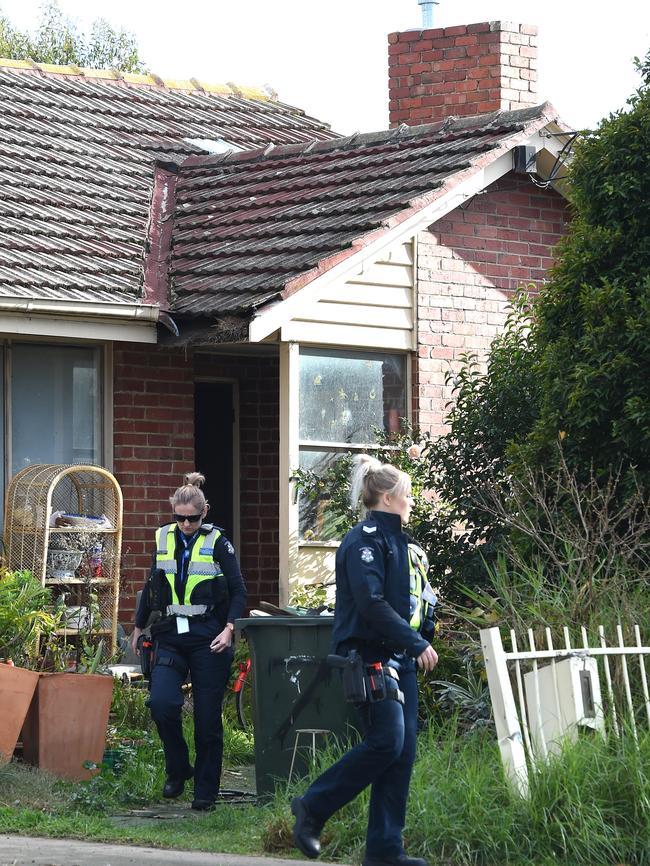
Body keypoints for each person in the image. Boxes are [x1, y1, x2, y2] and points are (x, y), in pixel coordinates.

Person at [290, 455, 438, 866]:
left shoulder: (399, 542)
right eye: (407, 495)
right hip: (369, 656)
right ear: (389, 497)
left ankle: (385, 851)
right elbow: (372, 605)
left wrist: (418, 637)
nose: (411, 502)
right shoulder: (364, 541)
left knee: (402, 750)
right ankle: (313, 807)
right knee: (387, 740)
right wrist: (414, 643)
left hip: (399, 659)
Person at [131, 472, 247, 811]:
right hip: (170, 634)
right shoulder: (163, 537)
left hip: (209, 637)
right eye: (179, 517)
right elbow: (152, 584)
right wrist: (138, 626)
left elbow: (239, 591)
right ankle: (179, 767)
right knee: (162, 704)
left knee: (207, 719)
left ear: (204, 512)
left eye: (191, 518)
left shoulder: (218, 543)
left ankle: (206, 791)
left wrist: (229, 629)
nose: (184, 524)